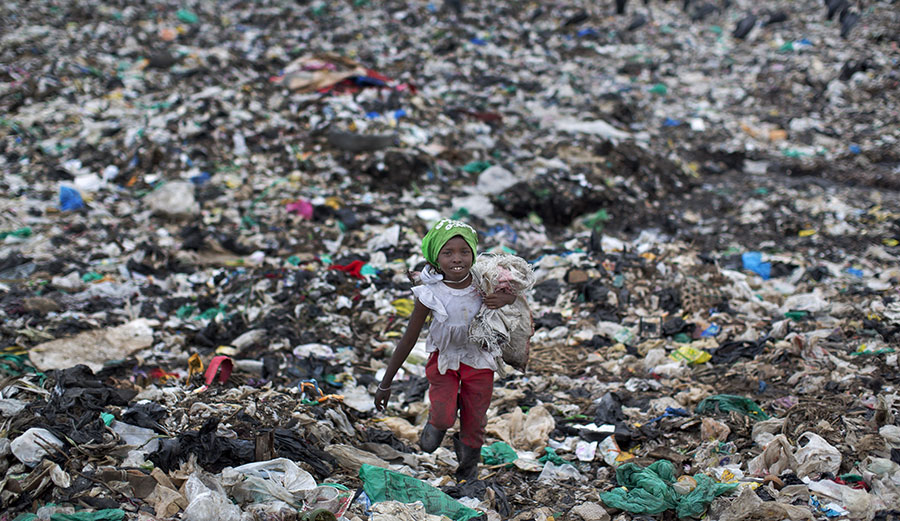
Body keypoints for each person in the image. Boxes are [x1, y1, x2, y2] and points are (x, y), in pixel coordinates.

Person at [373, 218, 515, 482]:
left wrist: (505, 298)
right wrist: (386, 382)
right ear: (435, 258)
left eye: (464, 251)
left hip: (479, 360)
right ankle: (436, 426)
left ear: (473, 253)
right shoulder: (430, 293)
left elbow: (515, 294)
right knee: (443, 416)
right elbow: (408, 338)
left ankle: (467, 472)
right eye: (447, 253)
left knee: (475, 422)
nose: (457, 259)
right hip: (444, 361)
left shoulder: (484, 283)